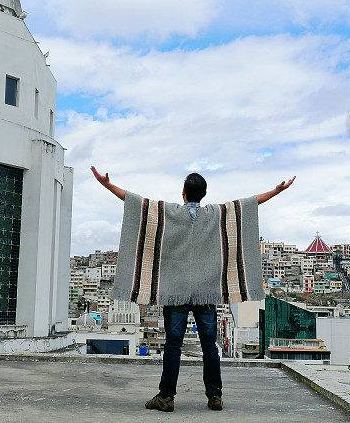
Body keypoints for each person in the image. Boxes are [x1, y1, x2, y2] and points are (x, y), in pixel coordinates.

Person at [91, 166, 295, 412]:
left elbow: (136, 202)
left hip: (175, 292)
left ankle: (166, 397)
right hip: (206, 291)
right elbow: (248, 205)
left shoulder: (170, 213)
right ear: (204, 194)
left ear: (183, 193)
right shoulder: (215, 214)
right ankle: (215, 396)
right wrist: (276, 190)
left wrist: (106, 184)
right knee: (210, 346)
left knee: (173, 346)